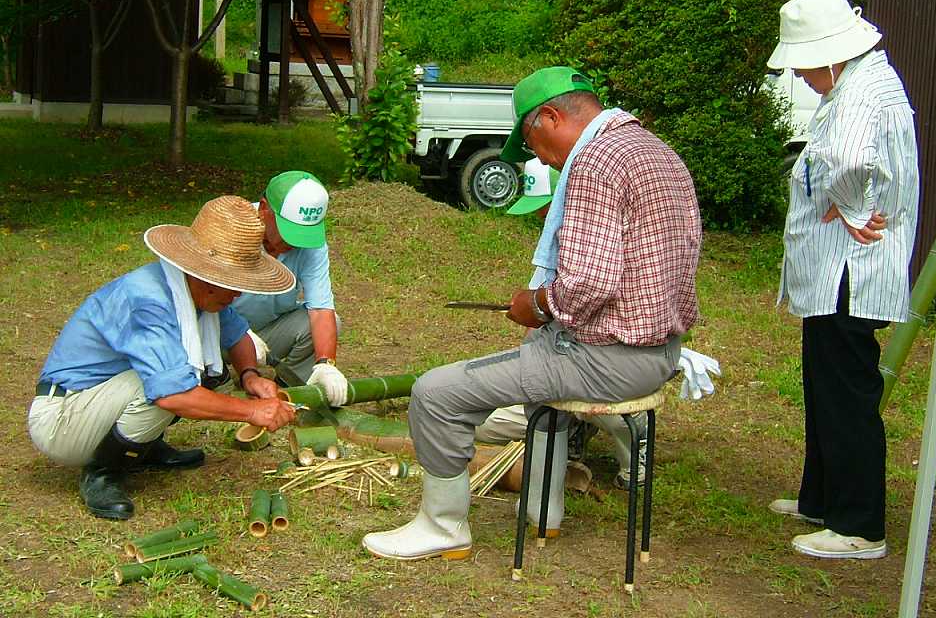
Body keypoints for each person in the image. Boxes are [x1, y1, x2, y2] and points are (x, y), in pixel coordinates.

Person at [362, 65, 702, 561]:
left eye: (533, 143)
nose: (541, 159)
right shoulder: (656, 150)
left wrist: (538, 304)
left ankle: (442, 526)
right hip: (660, 351)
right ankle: (544, 511)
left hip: (607, 359)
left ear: (549, 117)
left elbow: (589, 283)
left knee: (435, 393)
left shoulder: (596, 161)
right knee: (532, 361)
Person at [27, 196, 299, 520]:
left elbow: (237, 335)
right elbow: (172, 395)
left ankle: (142, 445)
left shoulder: (199, 292)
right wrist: (252, 411)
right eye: (233, 283)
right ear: (206, 274)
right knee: (165, 386)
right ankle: (102, 473)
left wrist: (250, 376)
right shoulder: (148, 299)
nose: (238, 293)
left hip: (95, 402)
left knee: (198, 374)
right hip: (61, 419)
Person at [766, 0, 919, 560]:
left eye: (804, 65)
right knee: (825, 383)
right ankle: (823, 497)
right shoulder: (860, 82)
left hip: (852, 270)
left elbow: (850, 159)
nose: (801, 76)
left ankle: (859, 524)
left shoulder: (863, 91)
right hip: (836, 270)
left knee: (847, 393)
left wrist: (851, 205)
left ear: (829, 54)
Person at [477, 156, 650, 491]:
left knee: (610, 405)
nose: (542, 217)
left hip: (603, 365)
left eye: (548, 208)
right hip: (557, 368)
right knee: (485, 424)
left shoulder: (608, 247)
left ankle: (635, 441)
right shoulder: (552, 248)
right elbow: (535, 325)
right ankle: (571, 428)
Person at [231, 171, 349, 404]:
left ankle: (289, 389)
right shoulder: (229, 227)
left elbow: (321, 309)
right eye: (289, 231)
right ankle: (216, 375)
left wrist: (326, 364)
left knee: (330, 322)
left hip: (264, 333)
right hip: (214, 331)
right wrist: (236, 331)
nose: (296, 242)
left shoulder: (312, 244)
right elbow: (200, 300)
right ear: (264, 209)